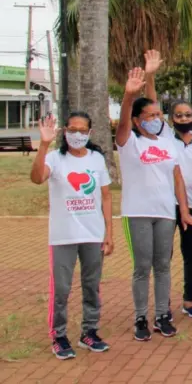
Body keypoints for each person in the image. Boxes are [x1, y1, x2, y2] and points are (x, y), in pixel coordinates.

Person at [116, 68, 192, 341]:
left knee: (163, 265)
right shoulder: (129, 143)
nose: (154, 119)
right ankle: (141, 316)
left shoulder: (167, 143)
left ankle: (162, 314)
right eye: (148, 116)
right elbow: (122, 126)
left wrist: (184, 210)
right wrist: (129, 96)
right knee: (142, 267)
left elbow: (177, 179)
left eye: (157, 115)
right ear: (137, 121)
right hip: (138, 212)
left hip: (165, 213)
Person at [31, 113, 113, 360]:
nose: (78, 135)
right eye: (73, 129)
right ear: (65, 131)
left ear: (89, 133)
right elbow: (37, 178)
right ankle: (59, 335)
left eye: (83, 130)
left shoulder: (96, 159)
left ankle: (89, 332)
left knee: (92, 285)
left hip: (93, 234)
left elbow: (106, 196)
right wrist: (44, 144)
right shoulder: (55, 159)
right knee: (62, 289)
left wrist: (109, 233)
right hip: (63, 236)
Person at [142, 50, 192, 319]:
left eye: (188, 115)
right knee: (163, 257)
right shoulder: (163, 138)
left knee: (191, 254)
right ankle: (163, 303)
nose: (184, 119)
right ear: (171, 120)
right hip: (165, 206)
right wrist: (150, 75)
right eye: (179, 116)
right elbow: (151, 103)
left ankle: (189, 300)